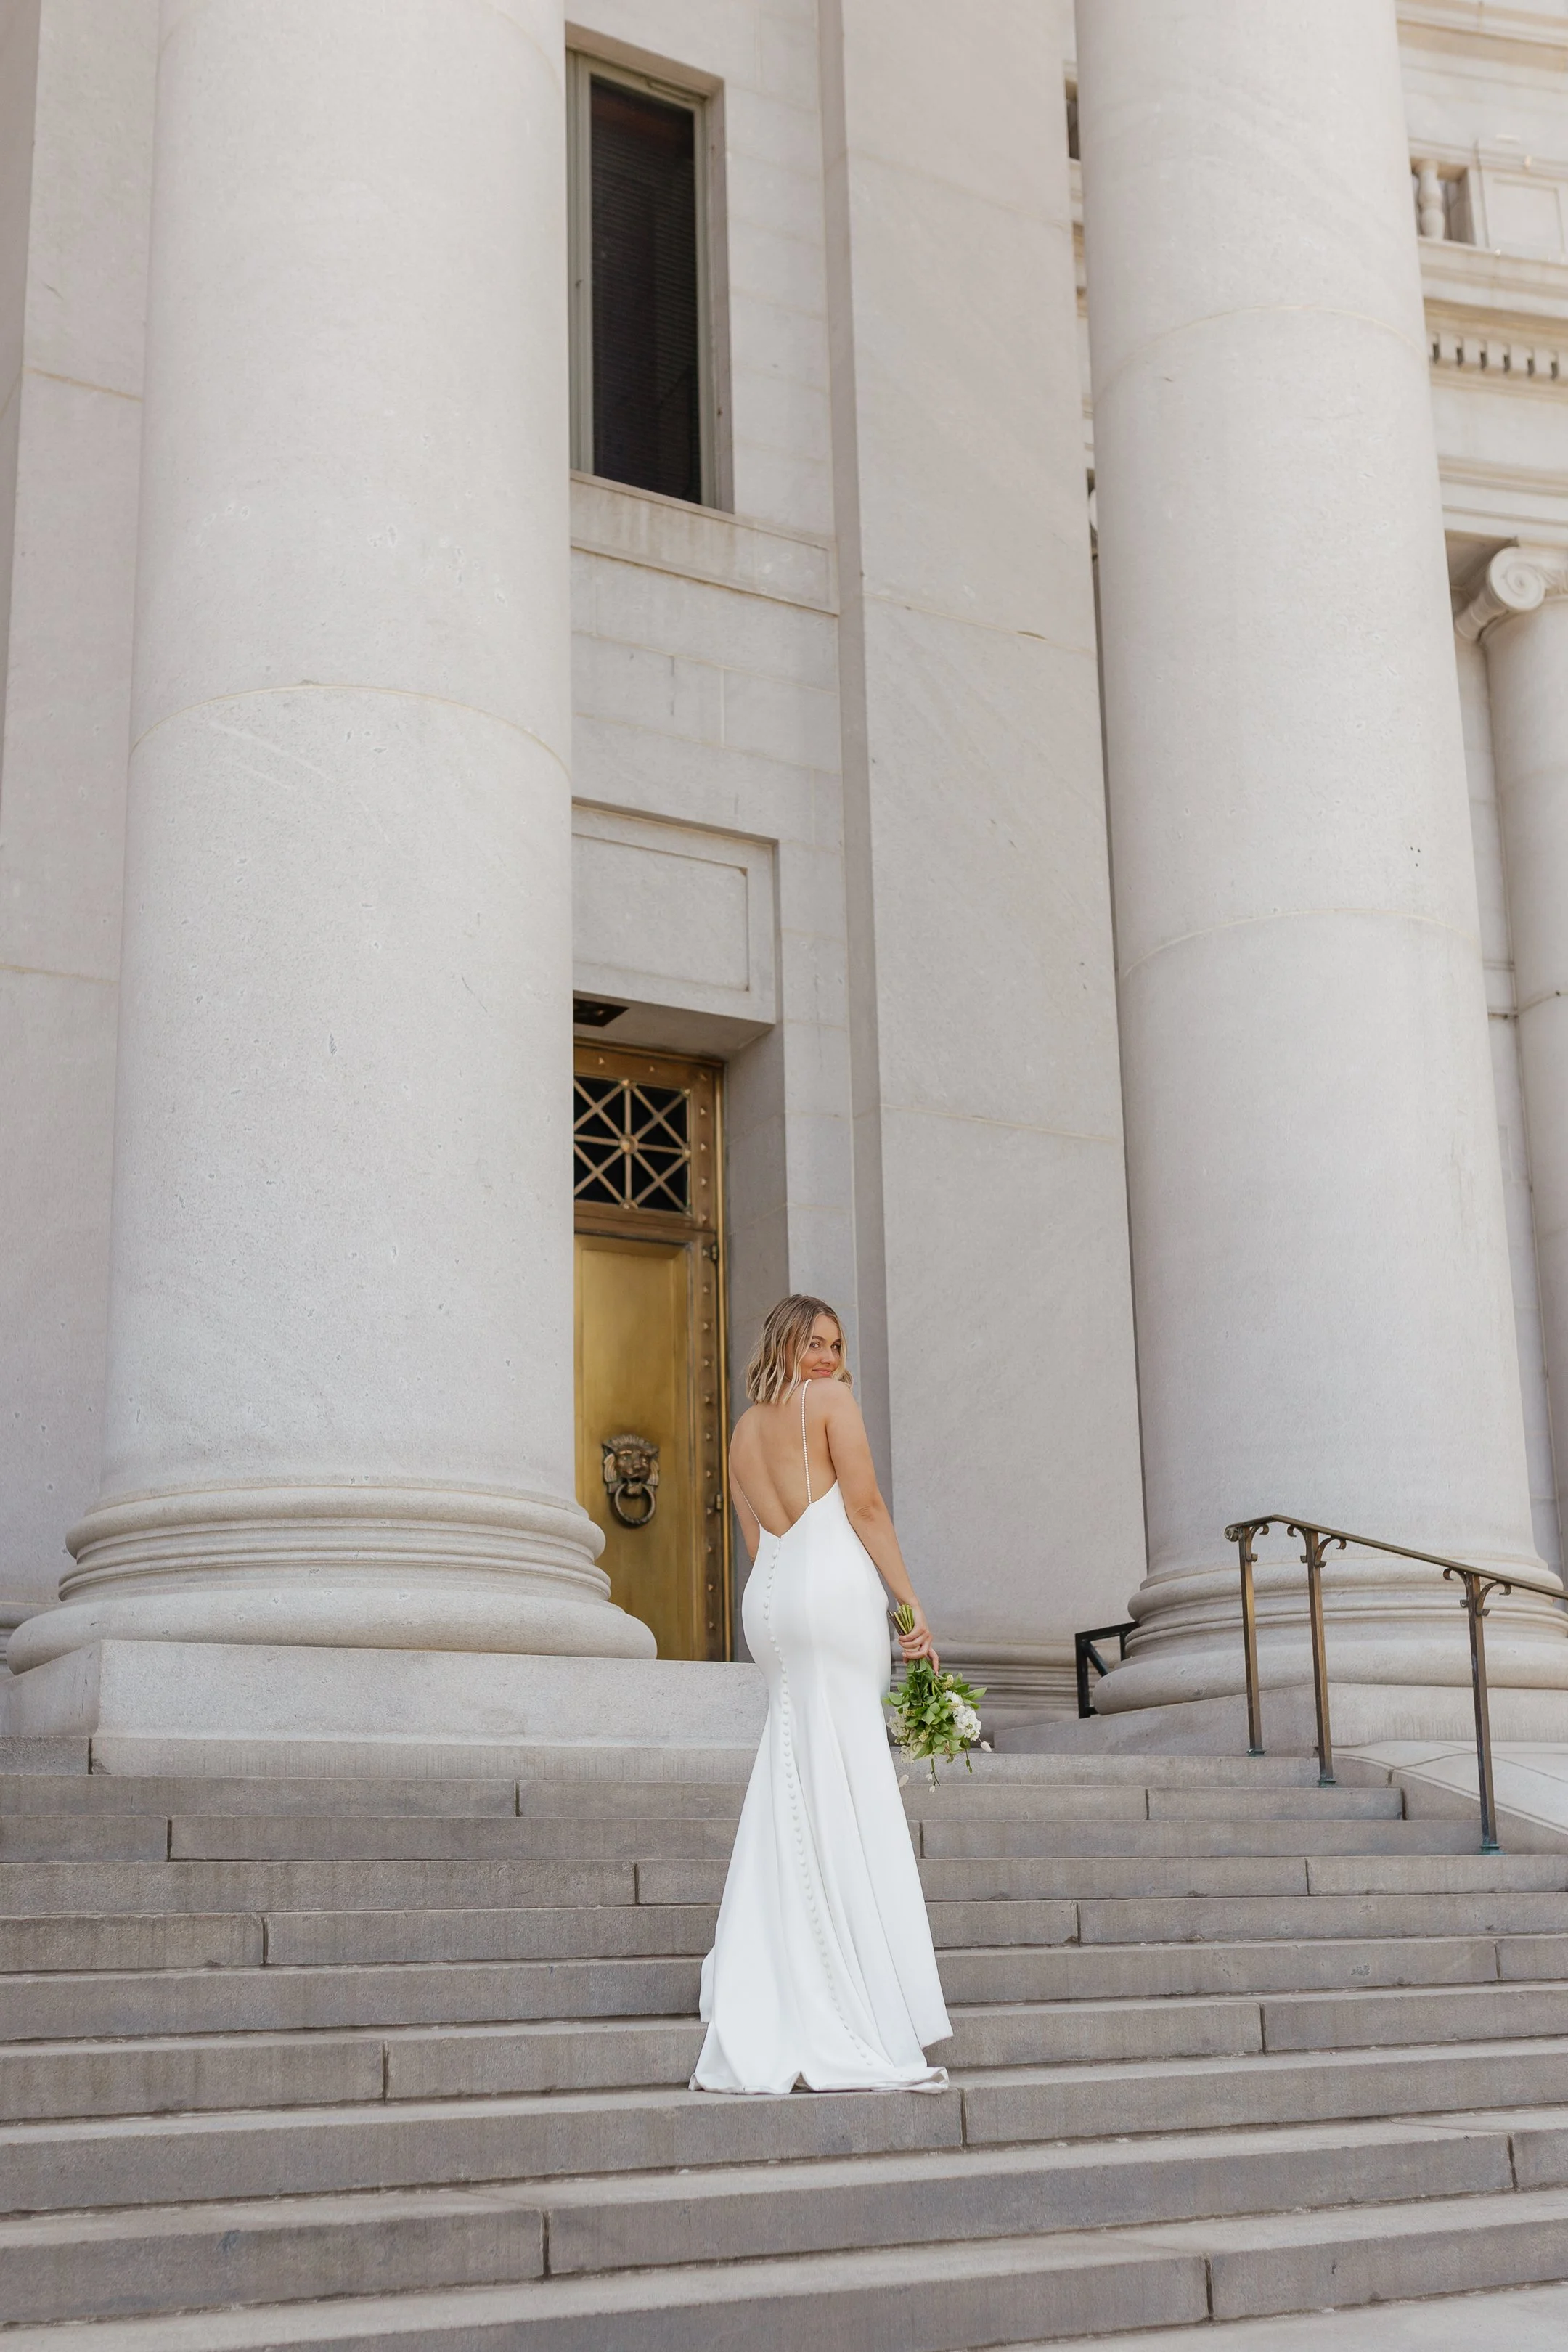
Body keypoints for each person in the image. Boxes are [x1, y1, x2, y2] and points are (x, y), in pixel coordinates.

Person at [690, 1294, 952, 2094]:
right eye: (813, 1343)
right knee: (847, 1780)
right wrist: (910, 1608)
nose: (828, 1359)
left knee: (793, 1777)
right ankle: (856, 1995)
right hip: (829, 1596)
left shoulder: (740, 1431)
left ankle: (777, 1975)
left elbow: (750, 1536)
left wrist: (784, 1598)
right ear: (785, 1343)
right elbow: (866, 1508)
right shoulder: (830, 1405)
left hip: (769, 1600)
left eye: (836, 1346)